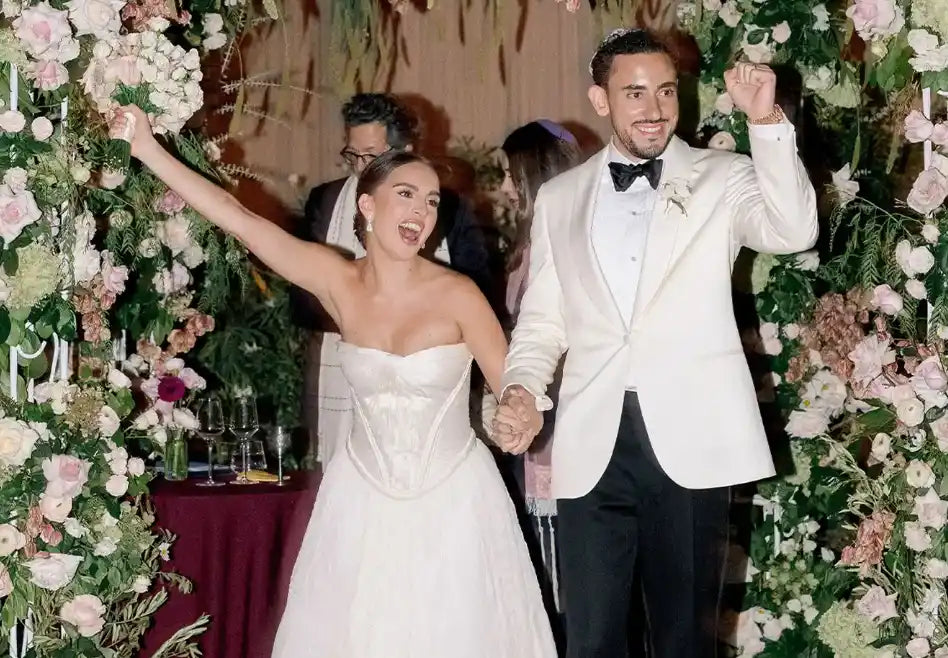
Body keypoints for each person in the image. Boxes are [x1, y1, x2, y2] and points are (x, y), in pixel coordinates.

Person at [110, 105, 556, 658]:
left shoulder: (458, 294)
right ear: (367, 205)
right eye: (407, 195)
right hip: (360, 497)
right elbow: (238, 218)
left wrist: (520, 415)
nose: (422, 210)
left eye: (432, 200)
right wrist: (149, 149)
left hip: (456, 501)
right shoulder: (337, 281)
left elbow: (513, 384)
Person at [493, 29, 818, 658]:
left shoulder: (722, 175)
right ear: (600, 100)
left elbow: (793, 227)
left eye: (666, 91)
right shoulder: (561, 198)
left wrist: (767, 122)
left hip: (691, 440)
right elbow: (541, 322)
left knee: (683, 641)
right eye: (634, 92)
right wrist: (522, 388)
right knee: (591, 641)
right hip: (592, 447)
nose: (655, 108)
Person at [290, 93, 493, 467]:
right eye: (353, 155)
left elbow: (477, 290)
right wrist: (366, 315)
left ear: (404, 151)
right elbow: (301, 300)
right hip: (344, 365)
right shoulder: (325, 199)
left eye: (371, 156)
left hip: (424, 378)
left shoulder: (445, 208)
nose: (359, 167)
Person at [496, 120, 581, 607]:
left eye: (512, 174)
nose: (505, 187)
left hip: (556, 431)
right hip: (529, 421)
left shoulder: (562, 247)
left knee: (560, 590)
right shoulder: (526, 248)